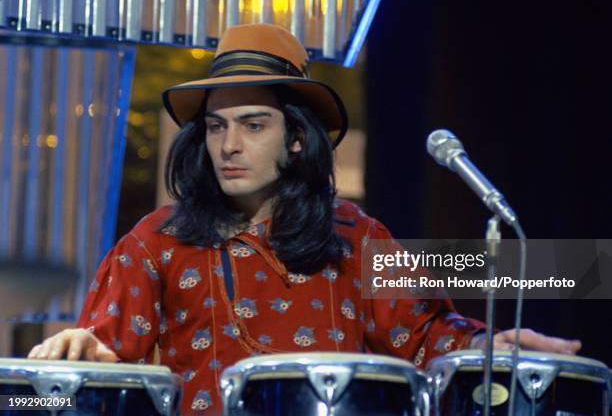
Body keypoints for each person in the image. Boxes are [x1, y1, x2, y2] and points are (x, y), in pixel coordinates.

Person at [28, 24, 581, 415]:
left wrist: (492, 343)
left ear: (295, 138)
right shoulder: (157, 240)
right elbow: (102, 357)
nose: (229, 145)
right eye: (217, 127)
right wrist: (83, 349)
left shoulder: (358, 236)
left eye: (252, 124)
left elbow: (424, 337)